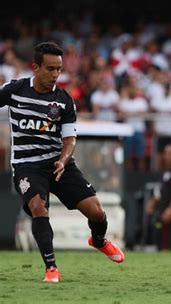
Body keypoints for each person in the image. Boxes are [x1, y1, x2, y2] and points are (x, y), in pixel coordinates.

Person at [0, 42, 125, 283]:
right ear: (35, 68)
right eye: (50, 69)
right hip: (27, 166)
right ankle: (51, 268)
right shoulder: (14, 90)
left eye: (59, 69)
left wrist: (62, 160)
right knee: (38, 207)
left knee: (97, 213)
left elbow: (69, 139)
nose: (55, 75)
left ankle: (98, 241)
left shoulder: (64, 100)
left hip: (58, 164)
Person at [145, 144, 171, 250]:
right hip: (160, 209)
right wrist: (152, 202)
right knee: (160, 238)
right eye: (167, 154)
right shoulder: (164, 171)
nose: (169, 156)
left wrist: (170, 210)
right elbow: (160, 190)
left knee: (169, 240)